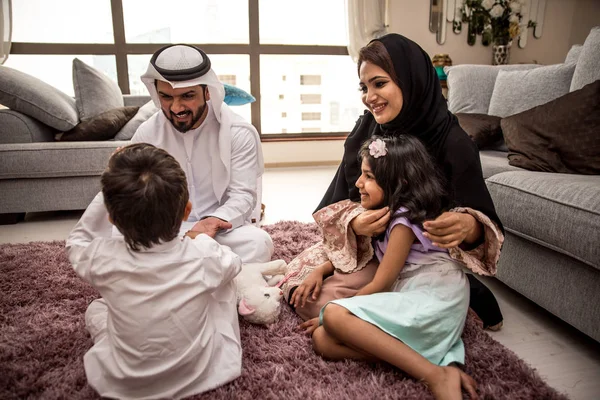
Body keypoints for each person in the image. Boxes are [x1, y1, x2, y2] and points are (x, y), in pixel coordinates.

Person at [300, 33, 504, 329]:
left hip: (425, 260)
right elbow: (344, 196)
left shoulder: (454, 144)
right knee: (306, 295)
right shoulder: (368, 128)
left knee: (331, 309)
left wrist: (468, 226)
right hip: (375, 248)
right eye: (364, 87)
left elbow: (481, 219)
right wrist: (356, 222)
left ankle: (465, 291)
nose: (369, 97)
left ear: (411, 80)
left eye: (379, 83)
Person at [306, 135, 481, 400]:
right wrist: (323, 270)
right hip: (414, 296)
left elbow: (382, 284)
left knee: (332, 316)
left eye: (369, 177)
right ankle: (424, 361)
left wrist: (337, 311)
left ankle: (434, 376)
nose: (358, 183)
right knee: (322, 341)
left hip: (435, 296)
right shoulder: (385, 215)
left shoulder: (403, 221)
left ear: (399, 183)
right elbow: (362, 256)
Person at [66, 143, 243, 399]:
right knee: (223, 279)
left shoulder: (100, 258)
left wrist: (108, 189)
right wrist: (201, 240)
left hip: (123, 381)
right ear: (187, 211)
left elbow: (77, 241)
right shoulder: (204, 254)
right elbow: (234, 263)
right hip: (203, 372)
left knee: (96, 308)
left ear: (112, 218)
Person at [131, 43, 273, 263]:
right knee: (120, 240)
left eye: (187, 96)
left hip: (218, 230)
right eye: (166, 97)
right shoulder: (147, 133)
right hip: (169, 231)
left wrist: (212, 222)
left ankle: (175, 275)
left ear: (207, 91)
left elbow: (243, 195)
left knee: (258, 242)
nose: (177, 108)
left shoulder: (238, 132)